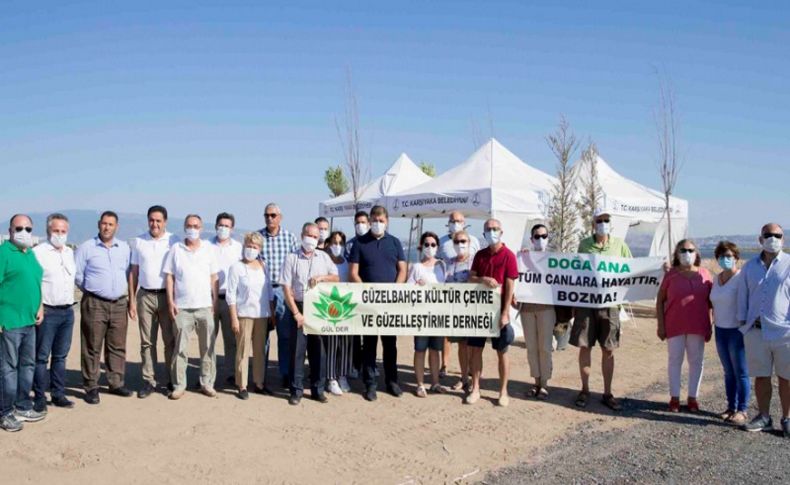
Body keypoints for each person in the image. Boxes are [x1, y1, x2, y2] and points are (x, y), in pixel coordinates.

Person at [570, 208, 631, 411]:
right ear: (593, 223)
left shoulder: (620, 245)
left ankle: (607, 392)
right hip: (587, 305)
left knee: (608, 349)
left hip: (610, 305)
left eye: (606, 220)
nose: (603, 223)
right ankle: (585, 389)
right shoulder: (584, 245)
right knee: (585, 346)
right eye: (600, 220)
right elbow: (576, 272)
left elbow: (633, 270)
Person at [737, 223, 790, 437]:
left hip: (784, 332)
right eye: (768, 235)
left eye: (777, 235)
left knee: (786, 377)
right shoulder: (750, 267)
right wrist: (743, 324)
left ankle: (787, 418)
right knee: (761, 376)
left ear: (783, 239)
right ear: (760, 239)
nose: (773, 238)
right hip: (756, 331)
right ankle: (764, 417)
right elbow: (743, 296)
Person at [349, 205, 407, 401]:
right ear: (370, 220)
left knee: (390, 345)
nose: (377, 224)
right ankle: (370, 384)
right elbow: (353, 273)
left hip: (390, 304)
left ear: (387, 221)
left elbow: (402, 270)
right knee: (370, 346)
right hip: (368, 304)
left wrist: (394, 291)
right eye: (374, 220)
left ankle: (392, 382)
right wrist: (368, 292)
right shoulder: (359, 243)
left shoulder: (395, 243)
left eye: (381, 221)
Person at [75, 211, 132, 405]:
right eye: (104, 224)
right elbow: (78, 275)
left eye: (111, 224)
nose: (107, 227)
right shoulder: (86, 248)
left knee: (117, 345)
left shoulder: (124, 248)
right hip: (95, 302)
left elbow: (128, 273)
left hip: (118, 304)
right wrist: (94, 291)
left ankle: (116, 382)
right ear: (99, 224)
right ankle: (91, 386)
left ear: (117, 227)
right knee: (92, 345)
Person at [280, 222, 339, 405]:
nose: (312, 239)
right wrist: (296, 313)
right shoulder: (291, 258)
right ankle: (296, 390)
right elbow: (286, 287)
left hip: (319, 309)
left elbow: (336, 277)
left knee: (319, 352)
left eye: (315, 237)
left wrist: (322, 278)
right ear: (302, 235)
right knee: (297, 351)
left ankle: (317, 389)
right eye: (309, 235)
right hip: (298, 306)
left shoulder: (323, 257)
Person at [164, 215, 219, 400]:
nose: (192, 229)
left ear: (201, 228)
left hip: (205, 306)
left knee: (208, 348)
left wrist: (215, 301)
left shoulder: (208, 249)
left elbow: (214, 277)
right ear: (184, 227)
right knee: (180, 349)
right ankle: (179, 385)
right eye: (189, 226)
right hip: (182, 308)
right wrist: (171, 301)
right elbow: (170, 276)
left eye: (196, 226)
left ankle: (207, 383)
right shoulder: (176, 249)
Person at [128, 205, 180, 398]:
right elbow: (134, 272)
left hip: (167, 296)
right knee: (147, 342)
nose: (155, 224)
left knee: (169, 341)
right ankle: (149, 380)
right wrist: (132, 300)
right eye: (151, 220)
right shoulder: (139, 242)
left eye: (158, 220)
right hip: (145, 296)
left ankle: (170, 379)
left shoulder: (174, 241)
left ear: (165, 222)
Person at [656, 239, 712, 413]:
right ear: (677, 254)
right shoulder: (670, 275)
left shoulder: (705, 274)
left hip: (698, 325)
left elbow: (711, 302)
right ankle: (674, 398)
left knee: (696, 362)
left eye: (690, 250)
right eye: (683, 250)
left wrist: (710, 324)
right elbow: (660, 301)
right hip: (674, 325)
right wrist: (661, 325)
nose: (687, 253)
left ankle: (692, 398)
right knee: (675, 361)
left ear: (696, 253)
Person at [0, 214, 45, 432]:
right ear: (10, 230)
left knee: (27, 366)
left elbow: (35, 282)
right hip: (10, 322)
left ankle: (22, 405)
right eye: (19, 228)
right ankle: (5, 412)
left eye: (28, 229)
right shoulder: (3, 253)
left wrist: (40, 306)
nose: (24, 233)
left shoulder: (30, 254)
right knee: (8, 368)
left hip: (29, 321)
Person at [467, 218, 517, 407]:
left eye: (495, 228)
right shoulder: (479, 255)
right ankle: (475, 388)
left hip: (498, 313)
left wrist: (505, 313)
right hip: (479, 311)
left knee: (502, 351)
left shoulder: (509, 256)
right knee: (476, 351)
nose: (492, 232)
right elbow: (470, 278)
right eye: (488, 229)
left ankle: (503, 391)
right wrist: (483, 279)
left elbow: (510, 284)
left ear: (501, 232)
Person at [32, 213, 76, 413]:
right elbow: (34, 282)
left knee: (60, 356)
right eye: (56, 231)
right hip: (47, 311)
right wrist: (38, 306)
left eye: (63, 231)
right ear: (48, 231)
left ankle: (58, 394)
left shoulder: (68, 252)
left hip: (67, 311)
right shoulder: (39, 252)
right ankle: (39, 396)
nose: (60, 234)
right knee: (41, 356)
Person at [226, 232, 275, 400]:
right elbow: (231, 295)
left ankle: (259, 383)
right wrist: (233, 317)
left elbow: (268, 292)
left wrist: (272, 313)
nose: (251, 249)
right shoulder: (236, 267)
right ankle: (242, 385)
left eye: (255, 247)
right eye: (249, 246)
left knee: (260, 351)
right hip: (244, 315)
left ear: (259, 249)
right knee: (242, 350)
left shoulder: (264, 266)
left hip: (262, 315)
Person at [259, 203, 299, 388]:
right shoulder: (258, 237)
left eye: (273, 215)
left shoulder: (290, 237)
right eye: (267, 215)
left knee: (285, 336)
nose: (270, 218)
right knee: (262, 336)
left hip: (283, 291)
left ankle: (285, 373)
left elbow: (296, 265)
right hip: (263, 291)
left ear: (280, 217)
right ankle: (261, 374)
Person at [438, 211, 482, 378]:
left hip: (471, 304)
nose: (455, 223)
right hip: (450, 301)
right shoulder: (442, 243)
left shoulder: (476, 243)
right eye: (452, 220)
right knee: (447, 335)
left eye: (458, 220)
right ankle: (444, 364)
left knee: (468, 341)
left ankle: (469, 371)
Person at [710, 241, 749, 424]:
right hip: (720, 330)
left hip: (737, 331)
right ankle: (730, 407)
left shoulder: (742, 278)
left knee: (741, 371)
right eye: (721, 256)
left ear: (736, 258)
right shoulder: (715, 280)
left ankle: (742, 409)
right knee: (728, 372)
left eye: (728, 256)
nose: (725, 259)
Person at [519, 224, 556, 400]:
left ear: (548, 237)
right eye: (536, 236)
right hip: (527, 308)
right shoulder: (524, 257)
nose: (540, 239)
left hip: (547, 308)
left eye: (543, 235)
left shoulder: (555, 259)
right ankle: (536, 380)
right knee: (531, 347)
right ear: (532, 239)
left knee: (545, 347)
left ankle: (545, 384)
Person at [408, 231, 447, 397]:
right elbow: (408, 291)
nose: (430, 247)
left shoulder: (442, 266)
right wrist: (417, 285)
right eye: (426, 244)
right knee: (420, 349)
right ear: (421, 246)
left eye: (433, 244)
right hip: (421, 315)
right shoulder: (416, 267)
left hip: (438, 314)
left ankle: (435, 382)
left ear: (437, 247)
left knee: (435, 350)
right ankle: (420, 384)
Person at [211, 212, 243, 387]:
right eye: (220, 225)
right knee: (208, 339)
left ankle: (231, 373)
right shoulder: (207, 245)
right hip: (210, 299)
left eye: (227, 226)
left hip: (231, 300)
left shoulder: (238, 248)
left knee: (231, 340)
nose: (223, 228)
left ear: (232, 228)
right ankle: (208, 374)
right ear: (216, 226)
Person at [324, 231, 353, 396]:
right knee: (332, 344)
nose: (337, 246)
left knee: (346, 343)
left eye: (340, 243)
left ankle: (342, 375)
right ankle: (331, 377)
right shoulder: (325, 261)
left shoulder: (347, 263)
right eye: (334, 242)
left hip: (346, 306)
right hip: (329, 306)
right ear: (328, 244)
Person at [445, 229, 473, 393]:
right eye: (457, 242)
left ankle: (473, 378)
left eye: (463, 241)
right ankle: (464, 378)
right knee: (462, 345)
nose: (460, 244)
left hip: (473, 311)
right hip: (456, 311)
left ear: (469, 243)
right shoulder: (450, 263)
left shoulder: (475, 262)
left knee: (473, 347)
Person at [346, 210, 369, 378]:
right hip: (354, 294)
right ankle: (355, 365)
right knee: (355, 334)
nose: (360, 225)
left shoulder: (372, 242)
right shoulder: (349, 244)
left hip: (372, 295)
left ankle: (368, 366)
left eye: (363, 222)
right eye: (357, 222)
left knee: (370, 335)